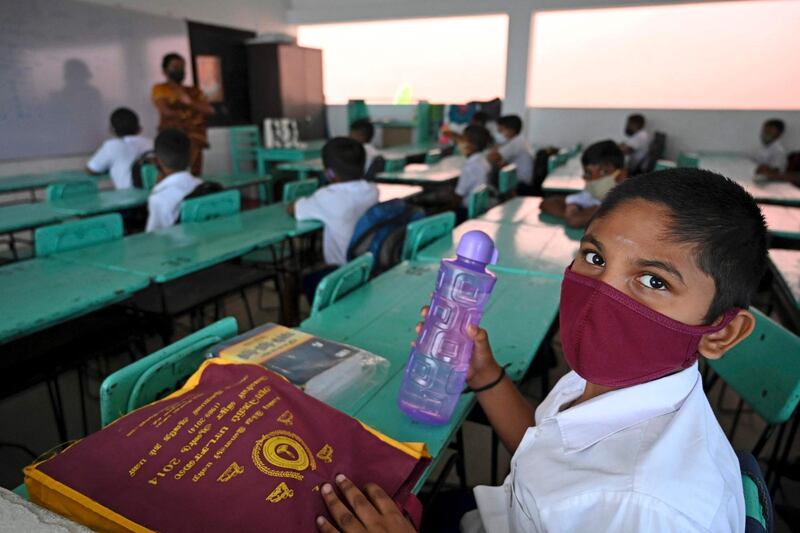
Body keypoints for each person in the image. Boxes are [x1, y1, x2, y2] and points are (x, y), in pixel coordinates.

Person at [315, 168, 764, 533]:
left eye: (653, 281)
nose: (600, 294)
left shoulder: (650, 508)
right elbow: (544, 451)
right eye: (595, 257)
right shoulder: (612, 383)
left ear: (720, 333)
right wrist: (486, 376)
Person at [288, 137, 379, 303]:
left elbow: (293, 209)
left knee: (292, 279)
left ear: (329, 173)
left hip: (342, 274)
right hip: (371, 266)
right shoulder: (372, 190)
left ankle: (297, 323)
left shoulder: (327, 197)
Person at [151, 53, 214, 176]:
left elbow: (209, 110)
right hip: (171, 138)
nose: (179, 70)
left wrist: (190, 102)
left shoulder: (193, 91)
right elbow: (165, 111)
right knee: (169, 172)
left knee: (194, 172)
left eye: (182, 67)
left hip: (193, 138)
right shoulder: (160, 89)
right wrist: (189, 113)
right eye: (175, 67)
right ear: (165, 70)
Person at [540, 140, 626, 228]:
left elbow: (574, 220)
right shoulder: (590, 197)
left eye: (603, 172)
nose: (594, 179)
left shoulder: (624, 205)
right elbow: (547, 203)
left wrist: (576, 211)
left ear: (621, 175)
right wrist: (573, 207)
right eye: (589, 173)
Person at [145, 129, 201, 232]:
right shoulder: (203, 185)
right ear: (191, 158)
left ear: (157, 160)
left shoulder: (159, 199)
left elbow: (152, 238)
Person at [86, 108, 151, 189]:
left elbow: (91, 170)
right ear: (139, 128)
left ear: (112, 130)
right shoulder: (151, 143)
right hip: (154, 195)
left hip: (129, 198)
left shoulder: (112, 146)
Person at [449, 124, 492, 222]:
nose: (459, 143)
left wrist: (445, 211)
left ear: (471, 145)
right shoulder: (484, 161)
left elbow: (458, 197)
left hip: (465, 212)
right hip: (480, 209)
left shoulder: (469, 167)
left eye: (462, 140)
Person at [487, 115, 534, 193]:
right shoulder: (520, 140)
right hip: (523, 181)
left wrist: (494, 149)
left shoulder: (515, 143)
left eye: (501, 130)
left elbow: (492, 157)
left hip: (522, 185)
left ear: (511, 130)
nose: (499, 133)